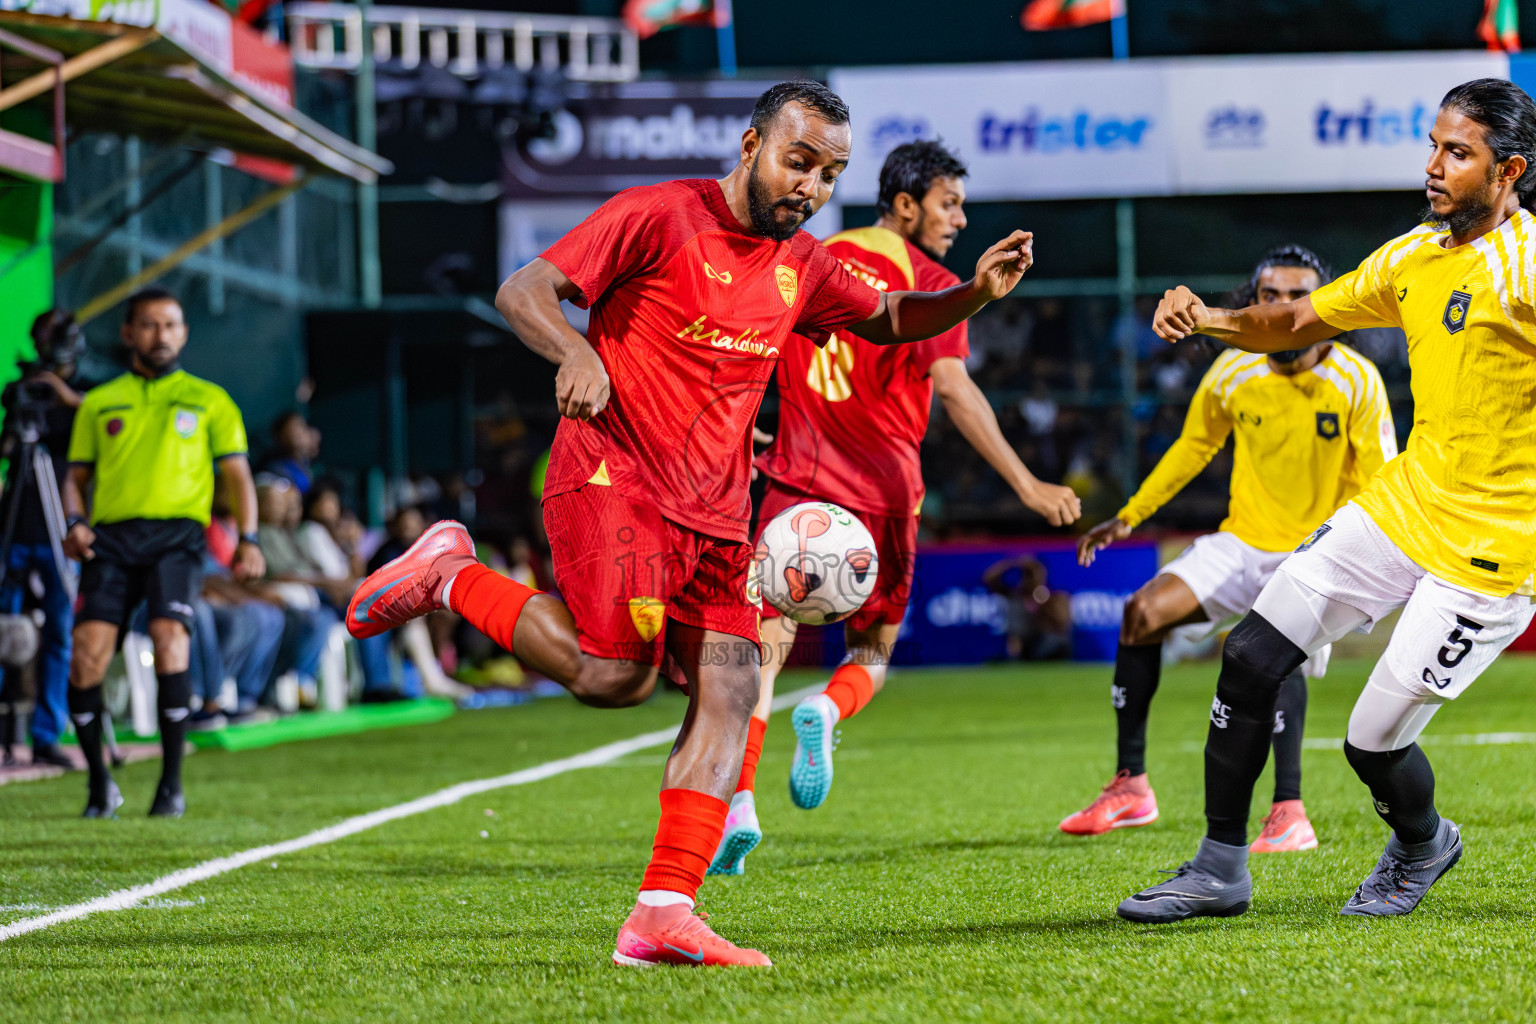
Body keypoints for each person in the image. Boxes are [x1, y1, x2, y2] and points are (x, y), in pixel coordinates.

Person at [346, 80, 1037, 966]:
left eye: (829, 174)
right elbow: (525, 292)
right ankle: (449, 575)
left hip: (717, 521)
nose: (811, 188)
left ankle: (663, 912)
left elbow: (894, 318)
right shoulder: (658, 215)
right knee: (612, 679)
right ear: (751, 145)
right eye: (798, 162)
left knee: (733, 687)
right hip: (614, 478)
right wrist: (578, 349)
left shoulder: (807, 264)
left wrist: (974, 293)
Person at [1117, 79, 1536, 923]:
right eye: (1433, 145)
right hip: (1404, 505)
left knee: (1371, 742)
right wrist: (1211, 318)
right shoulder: (1413, 255)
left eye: (1458, 154)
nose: (1433, 167)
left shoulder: (1525, 269)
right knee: (1250, 654)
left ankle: (1423, 842)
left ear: (1507, 171)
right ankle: (1218, 869)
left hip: (1495, 550)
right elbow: (1299, 322)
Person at [713, 140, 1080, 878]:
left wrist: (742, 422)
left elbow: (744, 349)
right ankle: (829, 711)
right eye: (949, 204)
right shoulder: (936, 282)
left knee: (761, 646)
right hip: (881, 492)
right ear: (906, 205)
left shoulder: (806, 256)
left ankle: (739, 800)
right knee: (873, 650)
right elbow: (954, 388)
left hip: (793, 479)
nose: (959, 219)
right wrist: (1026, 483)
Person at [1061, 247, 1395, 850]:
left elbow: (1381, 481)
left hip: (1316, 552)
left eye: (1299, 296)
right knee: (1141, 614)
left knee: (1275, 644)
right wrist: (1131, 516)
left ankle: (1288, 810)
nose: (1284, 307)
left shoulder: (1355, 380)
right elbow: (1192, 449)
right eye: (1270, 296)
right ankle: (1130, 786)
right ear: (1252, 301)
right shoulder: (1234, 370)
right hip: (1243, 542)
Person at [62, 287, 263, 818]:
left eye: (171, 325)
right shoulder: (100, 402)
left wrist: (250, 538)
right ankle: (100, 785)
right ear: (129, 334)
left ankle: (170, 785)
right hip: (111, 541)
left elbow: (239, 476)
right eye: (149, 325)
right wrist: (74, 521)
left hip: (178, 539)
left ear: (184, 333)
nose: (161, 335)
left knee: (170, 637)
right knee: (86, 659)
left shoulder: (211, 399)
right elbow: (74, 477)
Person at [0, 309, 89, 769]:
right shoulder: (22, 390)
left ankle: (46, 734)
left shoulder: (87, 395)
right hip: (14, 523)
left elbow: (100, 430)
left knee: (59, 631)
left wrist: (64, 397)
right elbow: (6, 448)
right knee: (2, 626)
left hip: (61, 530)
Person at [262, 411, 320, 495]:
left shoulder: (309, 465)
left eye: (301, 427)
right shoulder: (275, 469)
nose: (298, 434)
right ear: (280, 437)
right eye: (292, 429)